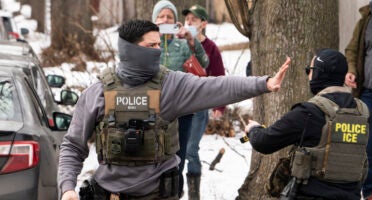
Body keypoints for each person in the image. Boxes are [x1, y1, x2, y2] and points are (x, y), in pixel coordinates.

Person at [59, 19, 291, 200]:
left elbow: (218, 86)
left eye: (159, 44)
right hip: (112, 194)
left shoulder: (171, 85)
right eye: (151, 46)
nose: (158, 51)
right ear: (129, 50)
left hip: (160, 194)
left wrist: (264, 83)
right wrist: (67, 187)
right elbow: (72, 145)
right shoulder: (97, 93)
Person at [245, 49, 369, 200]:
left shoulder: (309, 112)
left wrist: (253, 129)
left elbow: (264, 142)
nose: (308, 75)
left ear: (318, 73)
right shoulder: (363, 112)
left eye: (309, 70)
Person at [151, 1, 210, 197]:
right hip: (153, 110)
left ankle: (176, 193)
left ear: (176, 22)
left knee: (179, 157)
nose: (165, 20)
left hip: (182, 111)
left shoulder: (183, 44)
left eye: (170, 17)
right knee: (154, 158)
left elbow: (204, 63)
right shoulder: (148, 44)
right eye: (161, 17)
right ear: (154, 20)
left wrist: (193, 41)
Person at [182, 4, 226, 199]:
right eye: (187, 19)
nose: (189, 22)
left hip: (200, 106)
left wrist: (219, 106)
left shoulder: (210, 48)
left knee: (191, 149)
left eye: (194, 19)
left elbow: (219, 78)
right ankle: (174, 189)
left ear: (203, 24)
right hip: (178, 105)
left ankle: (194, 193)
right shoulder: (178, 44)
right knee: (175, 150)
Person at [344, 0, 372, 199]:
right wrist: (351, 71)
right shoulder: (366, 20)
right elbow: (352, 51)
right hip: (371, 96)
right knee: (369, 149)